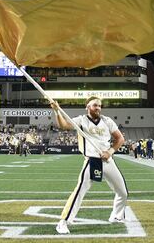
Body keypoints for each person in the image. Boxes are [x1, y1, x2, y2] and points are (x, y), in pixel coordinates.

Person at [50, 97, 127, 235]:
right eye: (95, 105)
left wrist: (110, 151)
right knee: (80, 191)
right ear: (87, 106)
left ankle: (117, 216)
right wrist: (57, 111)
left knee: (122, 192)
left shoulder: (107, 121)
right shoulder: (82, 120)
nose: (98, 108)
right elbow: (64, 126)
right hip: (92, 161)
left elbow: (120, 139)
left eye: (100, 105)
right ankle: (63, 222)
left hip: (108, 161)